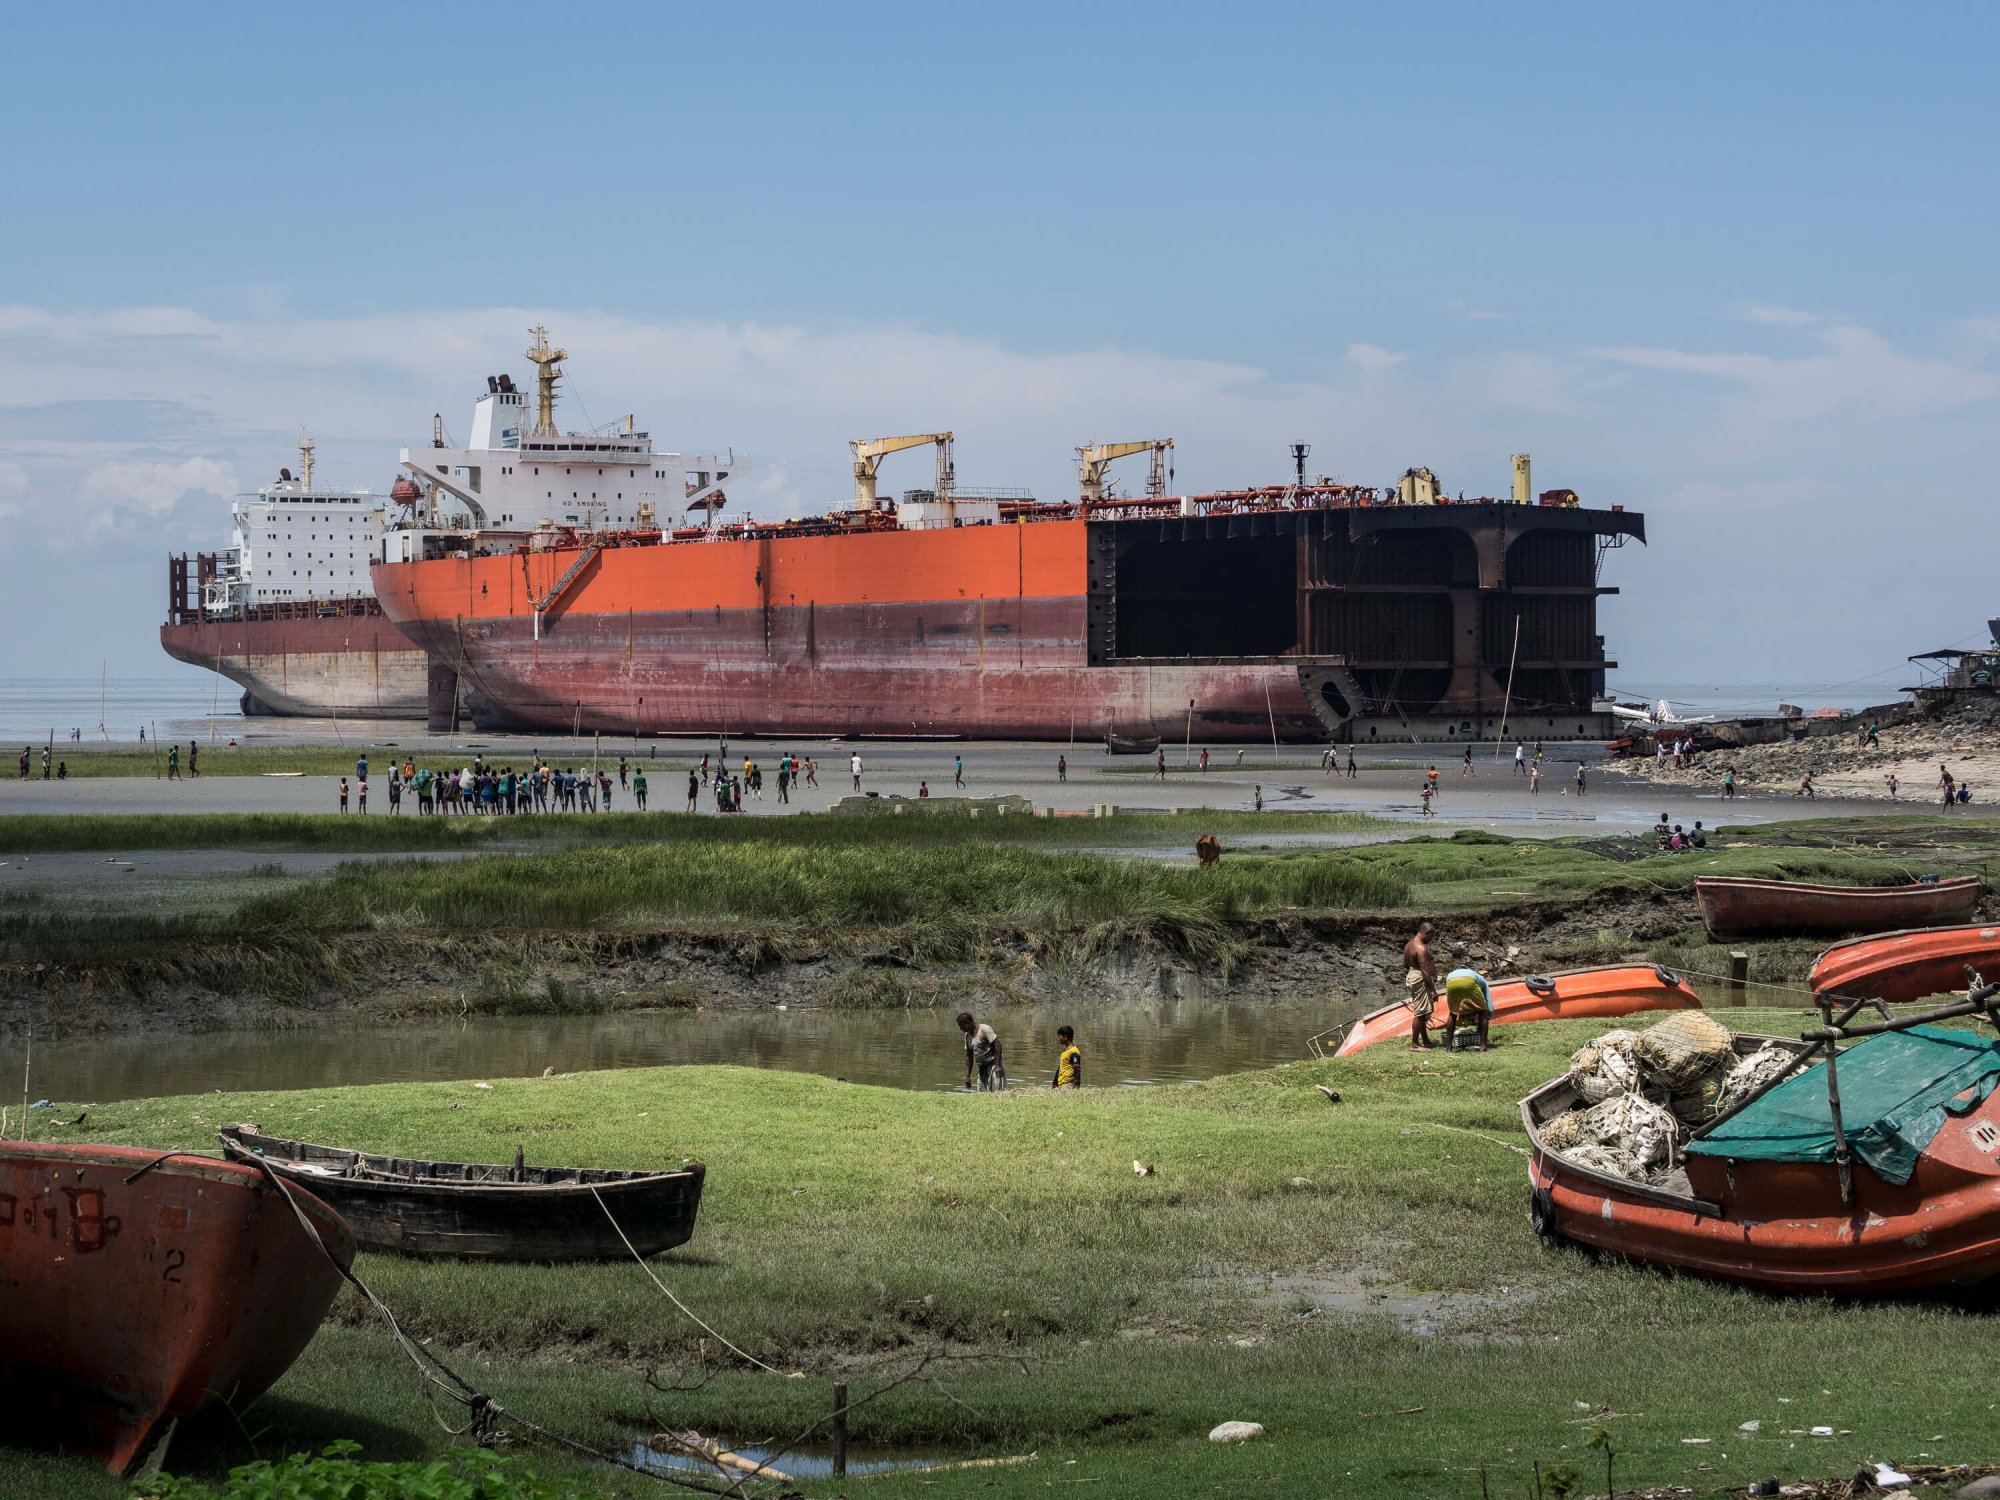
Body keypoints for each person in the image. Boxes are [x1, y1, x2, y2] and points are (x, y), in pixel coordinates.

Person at [1401, 922, 1439, 1049]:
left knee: (1424, 1011)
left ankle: (1425, 1040)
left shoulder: (1409, 944)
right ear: (1427, 933)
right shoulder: (1421, 948)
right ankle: (1415, 1044)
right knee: (1421, 1012)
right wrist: (1432, 989)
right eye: (1431, 937)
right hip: (1420, 978)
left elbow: (1406, 964)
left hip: (1412, 974)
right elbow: (1425, 971)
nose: (1431, 940)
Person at [1441, 966, 1493, 1052]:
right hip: (1469, 981)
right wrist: (1489, 1013)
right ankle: (1483, 1046)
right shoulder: (1479, 978)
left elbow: (1462, 1001)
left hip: (1450, 982)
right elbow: (1488, 999)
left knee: (1453, 1013)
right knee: (1483, 1011)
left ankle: (1449, 1048)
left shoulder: (1451, 974)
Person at [958, 1011, 1004, 1091]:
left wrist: (997, 1065)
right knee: (982, 1092)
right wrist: (968, 1076)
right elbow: (969, 1056)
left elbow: (997, 1045)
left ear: (968, 1022)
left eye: (961, 1026)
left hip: (993, 1063)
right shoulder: (967, 1035)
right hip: (982, 1066)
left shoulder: (984, 1029)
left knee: (997, 1091)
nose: (960, 1028)